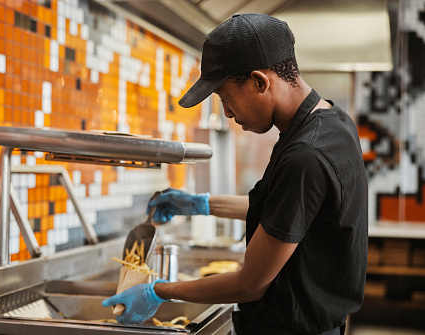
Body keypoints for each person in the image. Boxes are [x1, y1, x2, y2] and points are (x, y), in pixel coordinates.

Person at [102, 13, 368, 335]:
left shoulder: (305, 156)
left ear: (260, 81)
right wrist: (200, 203)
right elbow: (285, 211)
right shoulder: (332, 122)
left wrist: (158, 291)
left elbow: (250, 284)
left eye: (226, 98)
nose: (227, 112)